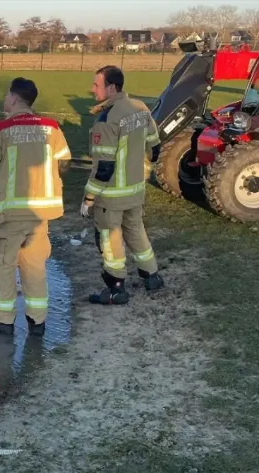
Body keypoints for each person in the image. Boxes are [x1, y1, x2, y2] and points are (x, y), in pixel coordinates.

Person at [0, 77, 72, 337]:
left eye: (7, 96)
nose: (5, 100)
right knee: (35, 266)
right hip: (42, 213)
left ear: (15, 98)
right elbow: (64, 163)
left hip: (10, 214)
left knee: (4, 266)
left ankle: (3, 320)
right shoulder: (52, 128)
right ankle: (37, 322)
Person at [81, 65, 165, 305]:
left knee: (110, 239)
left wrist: (89, 198)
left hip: (112, 196)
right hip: (136, 190)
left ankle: (116, 288)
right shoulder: (140, 108)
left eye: (96, 85)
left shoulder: (107, 119)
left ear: (111, 87)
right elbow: (155, 146)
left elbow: (104, 167)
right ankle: (151, 276)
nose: (92, 89)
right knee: (136, 231)